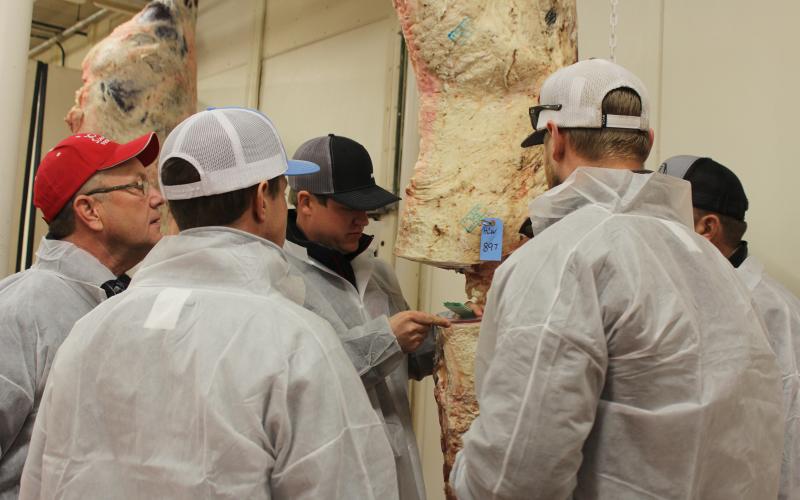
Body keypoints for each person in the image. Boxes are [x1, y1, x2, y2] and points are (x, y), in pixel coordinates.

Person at [19, 108, 399, 499]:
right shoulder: (297, 343)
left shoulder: (90, 330)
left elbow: (41, 480)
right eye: (280, 190)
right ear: (260, 201)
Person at [449, 59, 784, 499]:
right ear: (646, 141)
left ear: (556, 139)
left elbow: (516, 477)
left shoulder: (563, 258)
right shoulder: (711, 261)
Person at [284, 134, 450, 500]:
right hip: (329, 475)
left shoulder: (378, 273)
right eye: (348, 207)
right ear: (306, 202)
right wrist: (386, 339)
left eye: (367, 207)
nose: (363, 218)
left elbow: (410, 361)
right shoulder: (279, 278)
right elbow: (303, 380)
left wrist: (448, 331)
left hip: (396, 464)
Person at [0, 131, 163, 499]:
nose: (158, 198)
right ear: (89, 210)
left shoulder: (125, 300)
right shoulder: (21, 312)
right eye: (139, 186)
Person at [661, 155, 800, 500]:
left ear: (707, 228)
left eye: (665, 218)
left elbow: (792, 453)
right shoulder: (671, 291)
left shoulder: (777, 315)